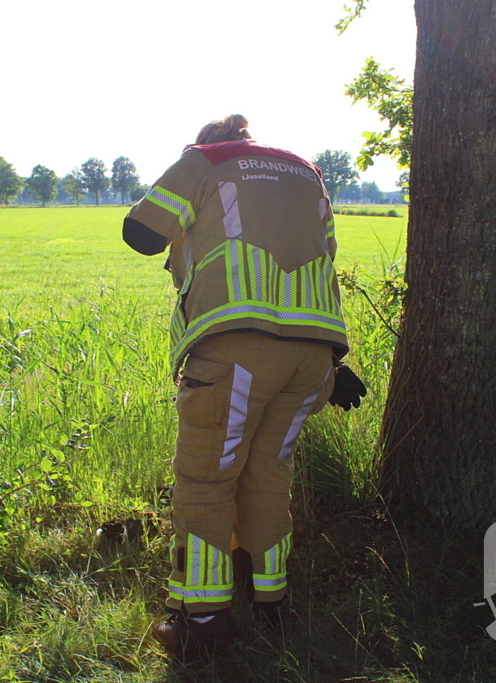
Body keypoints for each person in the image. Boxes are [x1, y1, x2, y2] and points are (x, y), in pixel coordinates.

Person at [122, 115, 366, 659]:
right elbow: (321, 260)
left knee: (207, 481)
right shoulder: (308, 175)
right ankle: (270, 603)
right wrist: (335, 360)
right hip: (312, 359)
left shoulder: (205, 161)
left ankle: (201, 620)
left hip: (234, 349)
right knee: (268, 477)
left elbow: (139, 234)